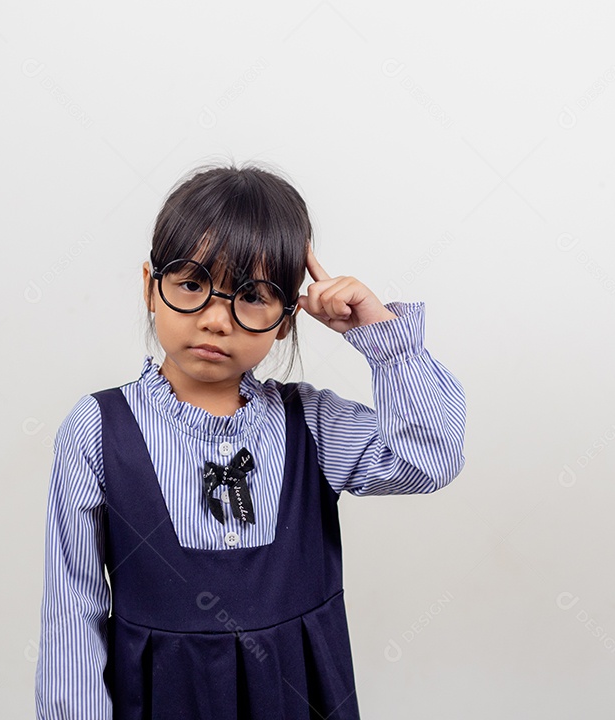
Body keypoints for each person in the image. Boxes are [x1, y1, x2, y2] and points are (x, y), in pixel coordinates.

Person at [34, 161, 467, 719]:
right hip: (161, 699)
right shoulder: (98, 430)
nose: (217, 319)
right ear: (150, 287)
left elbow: (428, 459)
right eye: (192, 284)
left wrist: (383, 338)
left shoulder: (309, 422)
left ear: (287, 318)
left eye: (253, 297)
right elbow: (72, 608)